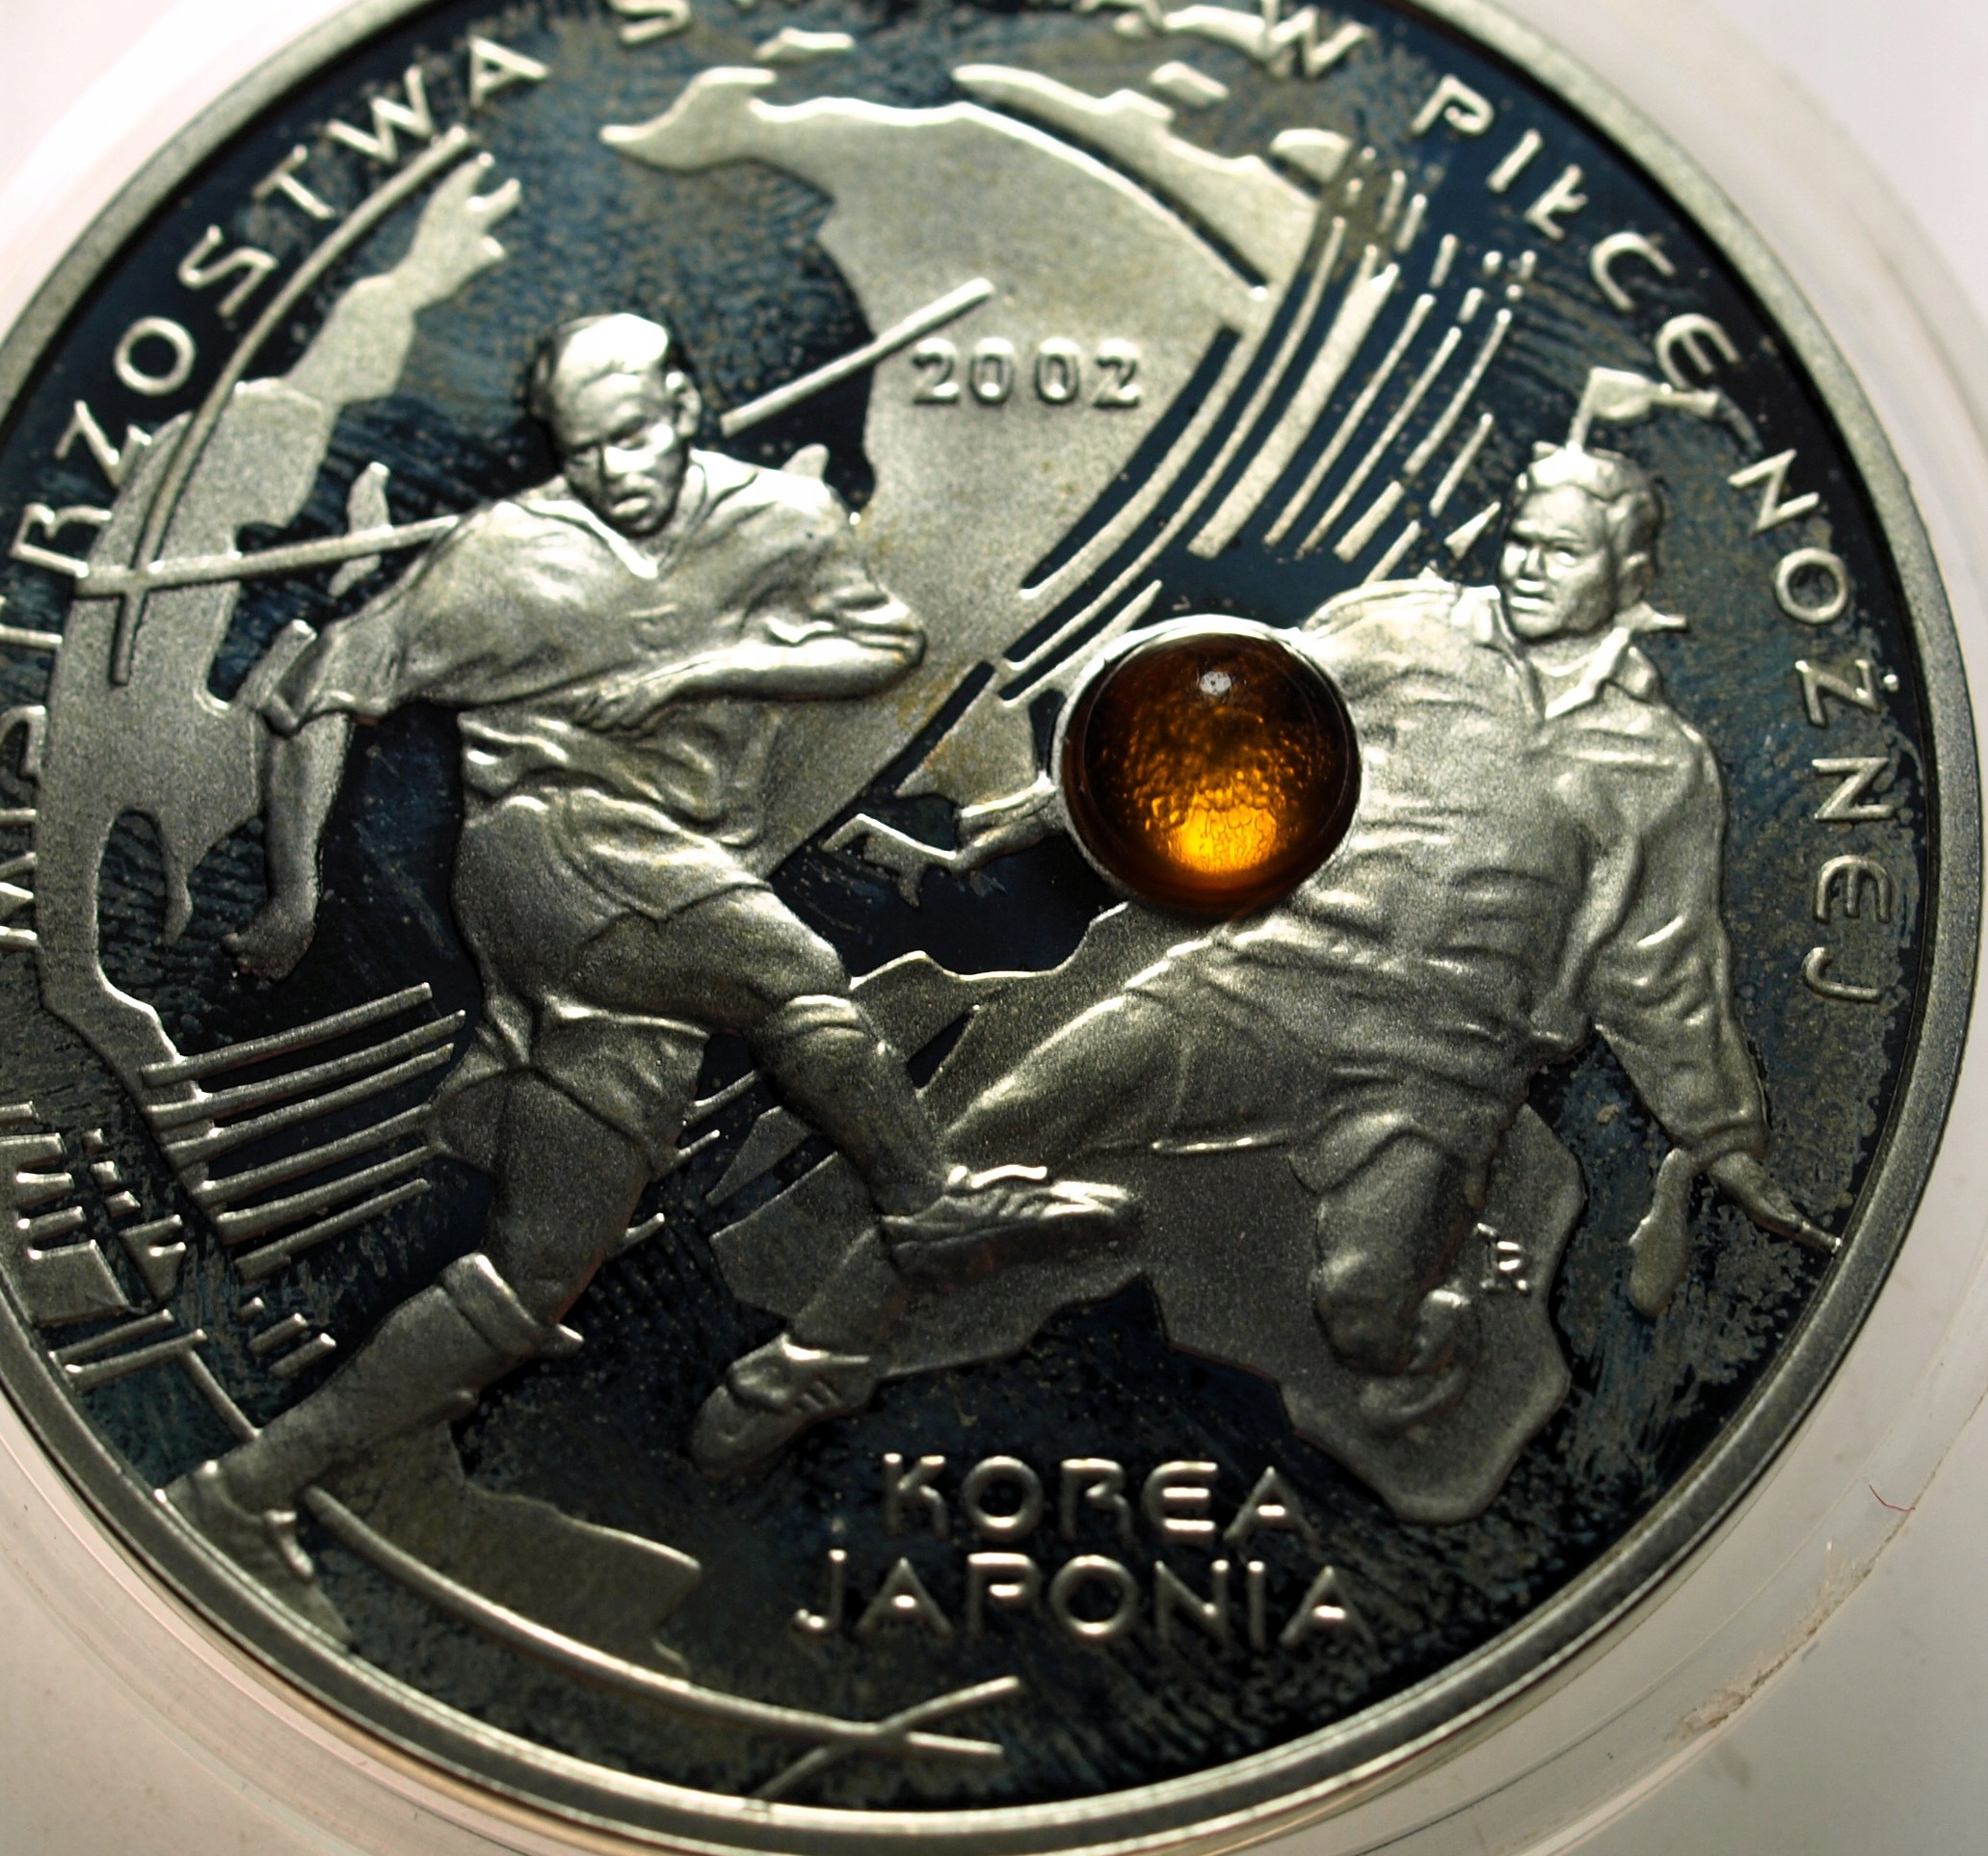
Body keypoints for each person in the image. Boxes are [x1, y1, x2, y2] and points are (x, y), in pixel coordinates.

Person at [168, 313, 1133, 1639]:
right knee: (793, 973)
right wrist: (295, 892)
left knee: (534, 1274)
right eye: (586, 450)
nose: (617, 469)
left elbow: (882, 642)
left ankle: (242, 1490)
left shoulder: (773, 518)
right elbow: (319, 697)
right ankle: (926, 1203)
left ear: (686, 401)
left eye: (635, 433)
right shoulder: (501, 553)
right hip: (548, 849)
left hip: (670, 891)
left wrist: (703, 666)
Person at [693, 438, 1836, 1472]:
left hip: (1439, 1061)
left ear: (1627, 572)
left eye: (1563, 553)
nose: (1530, 567)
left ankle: (1418, 1346)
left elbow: (1660, 964)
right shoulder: (1404, 629)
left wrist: (1723, 1138)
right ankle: (820, 1356)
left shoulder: (1657, 764)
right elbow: (1222, 716)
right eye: (1522, 540)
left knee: (1363, 1313)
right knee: (995, 1130)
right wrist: (1055, 805)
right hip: (1268, 978)